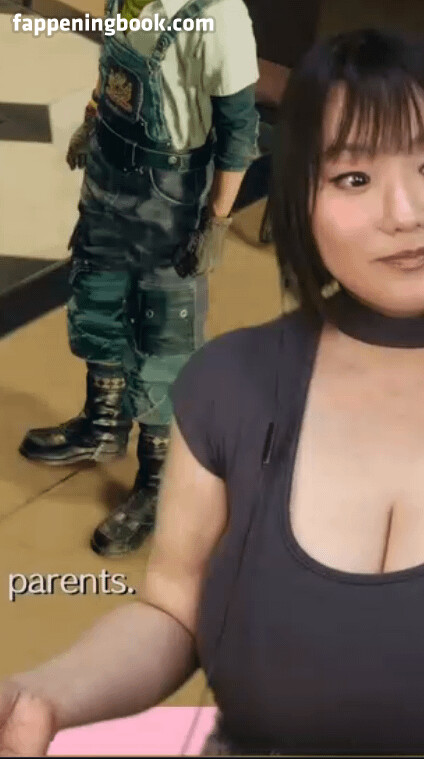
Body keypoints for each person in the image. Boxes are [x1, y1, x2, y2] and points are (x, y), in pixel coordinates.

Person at [4, 27, 424, 756]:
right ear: (298, 199)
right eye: (354, 179)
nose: (405, 213)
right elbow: (172, 612)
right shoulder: (228, 384)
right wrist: (45, 693)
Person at [18, 0, 260, 557]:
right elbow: (114, 71)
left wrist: (217, 222)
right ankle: (102, 425)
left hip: (170, 201)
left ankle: (158, 482)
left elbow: (239, 129)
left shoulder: (218, 15)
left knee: (163, 341)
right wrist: (92, 121)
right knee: (96, 301)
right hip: (108, 177)